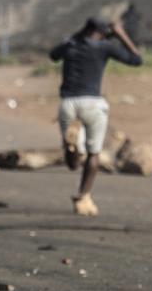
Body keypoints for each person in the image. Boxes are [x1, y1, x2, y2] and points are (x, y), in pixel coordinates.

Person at [49, 17, 142, 216]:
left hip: (67, 104)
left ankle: (72, 147)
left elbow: (53, 55)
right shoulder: (104, 47)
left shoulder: (70, 44)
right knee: (94, 153)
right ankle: (83, 195)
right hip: (92, 104)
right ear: (102, 33)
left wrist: (78, 35)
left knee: (73, 163)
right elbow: (136, 60)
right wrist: (120, 34)